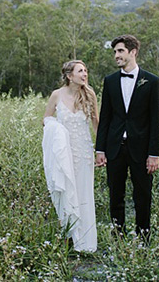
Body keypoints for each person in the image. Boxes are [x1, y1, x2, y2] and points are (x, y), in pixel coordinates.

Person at [95, 34, 159, 241]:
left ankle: (144, 238)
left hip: (141, 149)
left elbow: (156, 121)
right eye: (115, 51)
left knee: (142, 195)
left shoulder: (152, 82)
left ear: (133, 52)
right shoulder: (110, 81)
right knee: (116, 195)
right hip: (115, 147)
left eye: (120, 51)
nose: (116, 55)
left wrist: (154, 154)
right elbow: (105, 116)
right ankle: (118, 236)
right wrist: (100, 149)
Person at [42, 60, 98, 252]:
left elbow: (96, 124)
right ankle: (68, 236)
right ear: (69, 75)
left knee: (83, 192)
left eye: (86, 71)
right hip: (64, 152)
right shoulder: (56, 95)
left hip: (83, 152)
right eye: (80, 71)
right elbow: (46, 120)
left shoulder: (89, 95)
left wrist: (100, 151)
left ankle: (84, 241)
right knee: (66, 192)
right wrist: (57, 130)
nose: (85, 74)